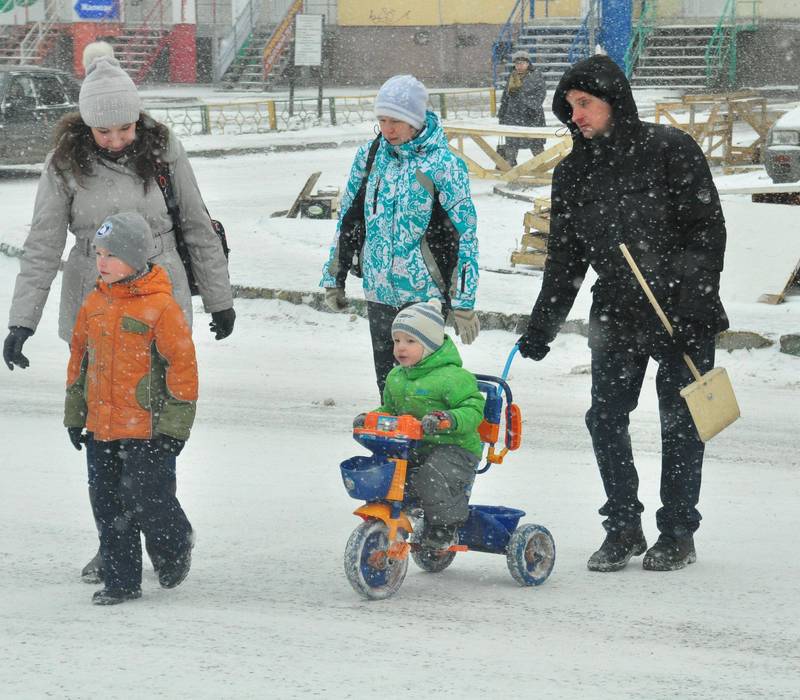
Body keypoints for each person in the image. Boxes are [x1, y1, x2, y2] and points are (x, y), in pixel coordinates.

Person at [3, 46, 235, 583]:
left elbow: (196, 224)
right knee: (105, 437)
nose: (115, 140)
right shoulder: (65, 161)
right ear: (86, 126)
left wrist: (219, 299)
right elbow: (42, 243)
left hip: (159, 299)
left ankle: (164, 533)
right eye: (103, 132)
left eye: (124, 128)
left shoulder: (162, 149)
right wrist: (23, 321)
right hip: (94, 301)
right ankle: (117, 544)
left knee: (151, 433)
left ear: (137, 119)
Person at [516, 55, 729, 572]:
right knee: (605, 419)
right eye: (570, 107)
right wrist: (542, 323)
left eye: (585, 104)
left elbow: (707, 230)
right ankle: (623, 527)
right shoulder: (572, 173)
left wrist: (690, 301)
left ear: (614, 101)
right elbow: (564, 257)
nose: (577, 116)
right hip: (616, 311)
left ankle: (677, 532)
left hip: (681, 311)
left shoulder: (670, 151)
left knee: (680, 423)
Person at [65, 212, 197, 605]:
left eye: (110, 255)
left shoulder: (161, 307)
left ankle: (175, 544)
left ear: (135, 259)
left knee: (148, 497)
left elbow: (182, 369)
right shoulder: (94, 304)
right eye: (99, 254)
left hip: (148, 430)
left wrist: (174, 429)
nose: (101, 262)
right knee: (107, 504)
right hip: (101, 428)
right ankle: (122, 580)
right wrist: (75, 415)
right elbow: (79, 363)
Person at [320, 74, 480, 396]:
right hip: (379, 291)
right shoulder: (370, 157)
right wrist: (334, 276)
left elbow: (466, 236)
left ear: (416, 121)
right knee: (389, 387)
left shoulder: (443, 165)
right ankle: (393, 446)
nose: (387, 129)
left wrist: (463, 300)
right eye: (382, 120)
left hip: (425, 296)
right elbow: (350, 220)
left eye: (396, 121)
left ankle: (432, 446)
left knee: (423, 389)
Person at [354, 299, 485, 549]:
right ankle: (398, 511)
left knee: (431, 476)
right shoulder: (396, 377)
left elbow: (473, 409)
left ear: (430, 345)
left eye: (411, 341)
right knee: (387, 469)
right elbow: (390, 410)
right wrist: (371, 418)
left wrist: (447, 419)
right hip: (416, 444)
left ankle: (444, 527)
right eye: (397, 341)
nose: (400, 348)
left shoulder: (453, 378)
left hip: (455, 447)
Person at [497, 49, 547, 166]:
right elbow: (505, 97)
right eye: (517, 63)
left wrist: (528, 104)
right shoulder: (512, 76)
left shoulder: (536, 75)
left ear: (528, 63)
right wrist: (502, 114)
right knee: (511, 144)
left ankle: (542, 170)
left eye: (522, 63)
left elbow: (541, 94)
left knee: (536, 145)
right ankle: (510, 172)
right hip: (512, 116)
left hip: (532, 117)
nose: (519, 66)